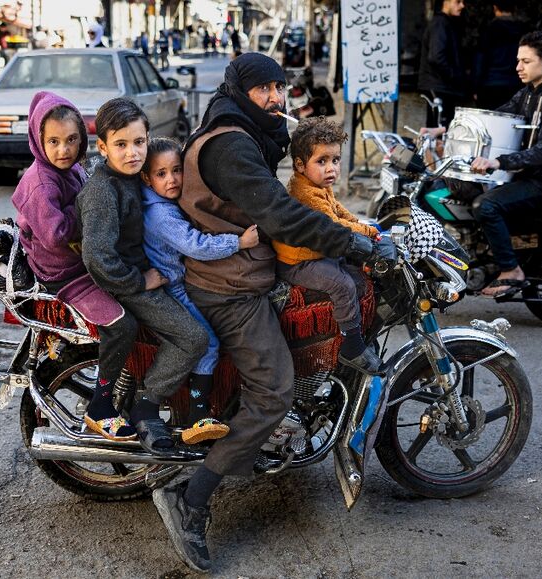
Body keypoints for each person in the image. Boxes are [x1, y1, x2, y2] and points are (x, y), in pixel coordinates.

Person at [151, 52, 384, 572]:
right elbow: (279, 214)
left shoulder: (240, 128)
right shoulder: (232, 146)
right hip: (230, 287)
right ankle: (190, 497)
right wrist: (355, 245)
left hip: (247, 271)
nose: (277, 98)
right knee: (275, 390)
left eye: (281, 87)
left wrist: (350, 227)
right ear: (240, 90)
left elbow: (289, 200)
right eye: (265, 90)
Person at [77, 97, 208, 453]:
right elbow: (98, 257)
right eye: (121, 145)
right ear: (102, 147)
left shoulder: (133, 176)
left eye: (139, 142)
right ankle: (147, 407)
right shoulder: (103, 191)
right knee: (194, 338)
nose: (133, 152)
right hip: (126, 283)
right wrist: (140, 282)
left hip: (147, 272)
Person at [10, 92, 137, 440]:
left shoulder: (71, 168)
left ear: (83, 139)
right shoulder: (41, 182)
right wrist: (87, 204)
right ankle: (101, 405)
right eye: (53, 141)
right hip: (65, 274)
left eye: (71, 140)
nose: (63, 149)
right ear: (38, 140)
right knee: (123, 326)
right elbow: (54, 234)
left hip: (82, 259)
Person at [141, 137, 259, 444]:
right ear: (147, 177)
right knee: (207, 342)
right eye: (161, 174)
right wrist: (239, 243)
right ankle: (196, 413)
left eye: (177, 170)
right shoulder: (162, 215)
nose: (172, 180)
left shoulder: (159, 203)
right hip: (171, 290)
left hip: (175, 284)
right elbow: (196, 245)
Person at [468, 31, 542, 297]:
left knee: (485, 205)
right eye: (518, 60)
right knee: (462, 188)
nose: (518, 67)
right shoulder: (528, 93)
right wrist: (446, 131)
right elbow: (495, 117)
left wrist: (499, 162)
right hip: (530, 175)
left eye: (526, 61)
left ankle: (511, 269)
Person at [273, 117, 381, 374]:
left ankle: (348, 328)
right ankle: (351, 346)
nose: (331, 168)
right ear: (300, 165)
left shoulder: (318, 185)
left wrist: (362, 223)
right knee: (341, 285)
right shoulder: (306, 193)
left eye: (335, 160)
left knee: (356, 274)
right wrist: (368, 231)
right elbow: (334, 224)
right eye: (321, 161)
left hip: (315, 253)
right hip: (298, 262)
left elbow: (341, 211)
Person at [417, 0, 467, 127]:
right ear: (446, 2)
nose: (462, 5)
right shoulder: (440, 23)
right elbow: (436, 57)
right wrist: (455, 76)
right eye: (458, 1)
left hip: (441, 86)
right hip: (439, 87)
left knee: (439, 132)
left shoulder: (446, 23)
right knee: (438, 134)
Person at [474, 0, 530, 110]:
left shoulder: (489, 29)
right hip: (516, 85)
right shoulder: (523, 30)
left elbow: (480, 60)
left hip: (491, 85)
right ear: (514, 9)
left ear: (495, 7)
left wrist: (475, 87)